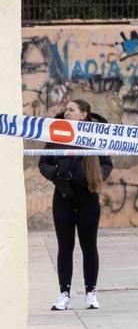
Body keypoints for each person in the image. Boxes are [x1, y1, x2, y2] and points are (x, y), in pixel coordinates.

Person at [39, 99, 112, 311]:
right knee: (65, 246)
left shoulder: (95, 136)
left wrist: (94, 176)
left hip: (88, 196)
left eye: (71, 110)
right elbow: (43, 163)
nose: (67, 113)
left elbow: (106, 164)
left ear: (83, 114)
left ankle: (91, 293)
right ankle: (64, 293)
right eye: (66, 110)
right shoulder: (57, 134)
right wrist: (56, 173)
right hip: (63, 196)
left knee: (89, 246)